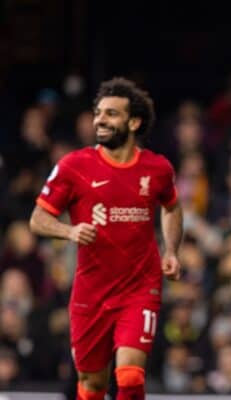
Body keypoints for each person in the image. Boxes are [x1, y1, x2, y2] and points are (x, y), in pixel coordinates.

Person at [29, 77, 183, 400]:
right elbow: (38, 219)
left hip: (140, 287)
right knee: (92, 385)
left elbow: (172, 207)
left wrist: (171, 250)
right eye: (98, 113)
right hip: (91, 293)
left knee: (129, 376)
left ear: (134, 121)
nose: (100, 119)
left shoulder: (158, 169)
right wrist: (68, 231)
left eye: (111, 114)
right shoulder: (74, 166)